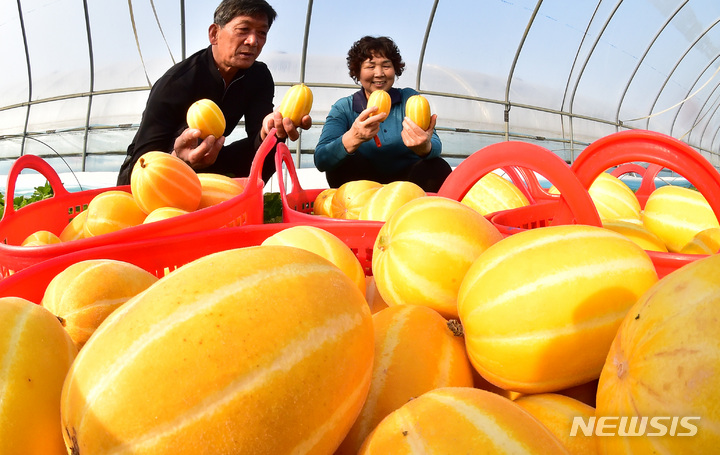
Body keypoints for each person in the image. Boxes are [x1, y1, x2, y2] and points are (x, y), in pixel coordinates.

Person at [116, 0, 311, 186]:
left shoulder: (258, 77)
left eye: (262, 33)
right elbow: (142, 161)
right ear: (214, 34)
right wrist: (179, 159)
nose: (253, 41)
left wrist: (268, 129)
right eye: (243, 30)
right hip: (146, 175)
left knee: (273, 142)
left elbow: (258, 138)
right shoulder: (176, 82)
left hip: (210, 161)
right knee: (197, 133)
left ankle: (245, 199)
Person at [313, 36, 451, 193]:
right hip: (363, 189)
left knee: (437, 167)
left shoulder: (410, 99)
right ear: (357, 72)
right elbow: (321, 160)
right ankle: (357, 213)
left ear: (395, 69)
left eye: (386, 66)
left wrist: (425, 147)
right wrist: (353, 137)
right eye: (370, 67)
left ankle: (415, 212)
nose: (379, 74)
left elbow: (435, 144)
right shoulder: (344, 107)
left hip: (407, 186)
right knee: (339, 165)